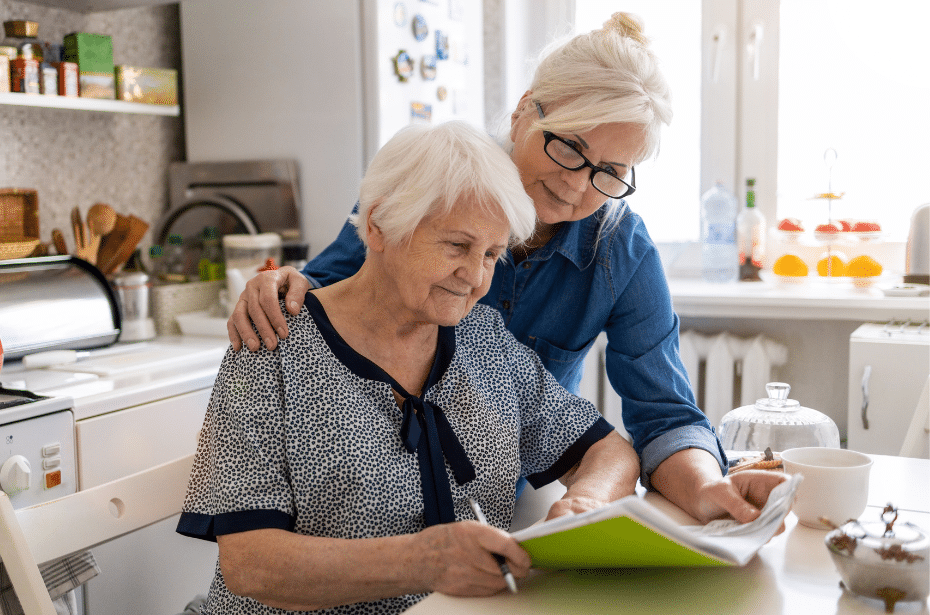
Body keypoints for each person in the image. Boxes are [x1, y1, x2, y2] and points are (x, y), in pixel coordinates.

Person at [227, 13, 787, 528]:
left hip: (503, 501)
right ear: (525, 111)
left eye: (610, 171)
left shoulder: (621, 249)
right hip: (369, 504)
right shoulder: (434, 183)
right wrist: (282, 284)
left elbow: (663, 415)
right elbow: (330, 295)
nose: (575, 184)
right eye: (569, 146)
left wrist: (708, 488)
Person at [178, 121, 639, 614]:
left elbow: (609, 452)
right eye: (456, 246)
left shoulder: (485, 341)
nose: (474, 276)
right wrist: (423, 561)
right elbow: (250, 565)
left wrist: (586, 503)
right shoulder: (273, 344)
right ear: (377, 225)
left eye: (492, 254)